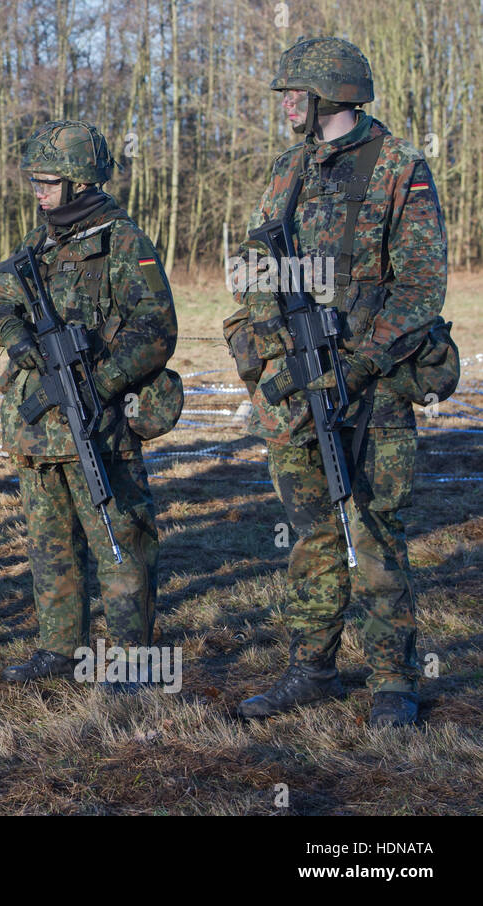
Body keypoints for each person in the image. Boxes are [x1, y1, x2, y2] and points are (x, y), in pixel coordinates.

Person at [227, 38, 448, 727]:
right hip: (297, 383)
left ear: (332, 96)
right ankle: (312, 669)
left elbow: (419, 288)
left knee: (377, 528)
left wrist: (355, 364)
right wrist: (260, 349)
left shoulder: (398, 167)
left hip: (371, 387)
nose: (287, 103)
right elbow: (256, 262)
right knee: (312, 532)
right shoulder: (287, 168)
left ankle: (392, 683)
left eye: (295, 92)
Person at [0, 121, 175, 689]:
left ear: (77, 183)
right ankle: (57, 650)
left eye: (47, 182)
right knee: (49, 546)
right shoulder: (37, 245)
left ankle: (134, 660)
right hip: (38, 432)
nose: (37, 192)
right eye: (35, 182)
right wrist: (16, 338)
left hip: (98, 424)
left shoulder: (123, 241)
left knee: (120, 543)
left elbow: (156, 327)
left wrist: (104, 380)